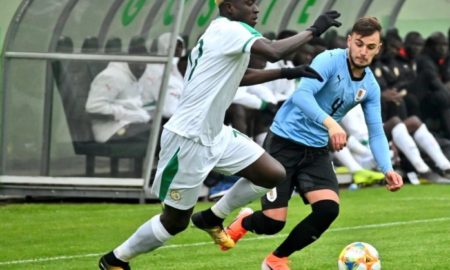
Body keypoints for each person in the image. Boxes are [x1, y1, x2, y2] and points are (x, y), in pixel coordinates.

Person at [98, 0, 341, 269]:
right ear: (228, 8)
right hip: (187, 139)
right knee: (174, 222)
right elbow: (273, 50)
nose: (256, 8)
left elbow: (240, 75)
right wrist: (314, 29)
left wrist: (286, 72)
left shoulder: (221, 32)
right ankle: (115, 260)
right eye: (249, 3)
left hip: (216, 134)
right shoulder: (231, 30)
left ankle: (213, 218)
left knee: (272, 174)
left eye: (257, 3)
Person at [194, 16, 404, 270]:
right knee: (273, 223)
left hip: (316, 151)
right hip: (284, 142)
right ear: (350, 40)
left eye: (370, 47)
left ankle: (276, 259)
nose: (363, 51)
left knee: (328, 210)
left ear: (378, 48)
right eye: (359, 43)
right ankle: (244, 222)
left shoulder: (370, 85)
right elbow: (303, 95)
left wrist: (387, 168)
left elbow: (376, 132)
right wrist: (331, 123)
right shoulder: (329, 59)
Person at [85, 37, 151, 144]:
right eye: (138, 63)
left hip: (130, 125)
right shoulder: (112, 76)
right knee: (160, 135)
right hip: (111, 131)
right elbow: (93, 108)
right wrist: (126, 114)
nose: (141, 67)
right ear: (129, 59)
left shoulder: (132, 77)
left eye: (144, 63)